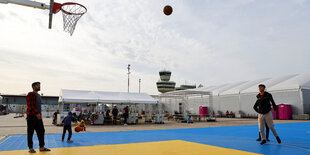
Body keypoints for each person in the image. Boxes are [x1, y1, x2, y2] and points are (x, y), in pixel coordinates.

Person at [26, 82, 51, 153]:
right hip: (31, 116)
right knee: (30, 132)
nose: (39, 86)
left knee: (41, 131)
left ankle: (41, 147)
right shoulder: (30, 94)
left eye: (39, 85)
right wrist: (37, 113)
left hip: (38, 116)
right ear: (33, 87)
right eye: (37, 85)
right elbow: (30, 106)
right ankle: (31, 148)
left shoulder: (38, 95)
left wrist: (39, 115)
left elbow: (38, 107)